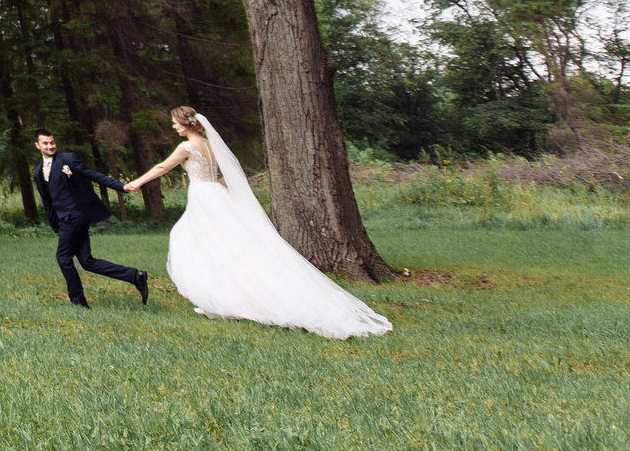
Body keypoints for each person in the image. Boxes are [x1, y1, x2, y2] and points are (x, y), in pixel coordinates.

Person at [121, 106, 392, 340]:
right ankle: (218, 300)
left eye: (175, 123)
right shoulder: (213, 146)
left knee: (196, 244)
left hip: (205, 198)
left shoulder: (187, 147)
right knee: (220, 248)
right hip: (216, 195)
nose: (173, 127)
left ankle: (225, 300)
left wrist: (137, 182)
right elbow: (224, 177)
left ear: (186, 124)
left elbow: (162, 168)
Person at [30, 129, 149, 308]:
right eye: (45, 143)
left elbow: (93, 174)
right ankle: (135, 276)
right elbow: (48, 202)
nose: (50, 146)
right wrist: (55, 224)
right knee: (87, 262)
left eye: (52, 142)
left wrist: (122, 187)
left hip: (76, 215)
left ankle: (78, 302)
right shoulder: (38, 172)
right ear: (37, 145)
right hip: (63, 221)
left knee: (63, 258)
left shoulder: (68, 159)